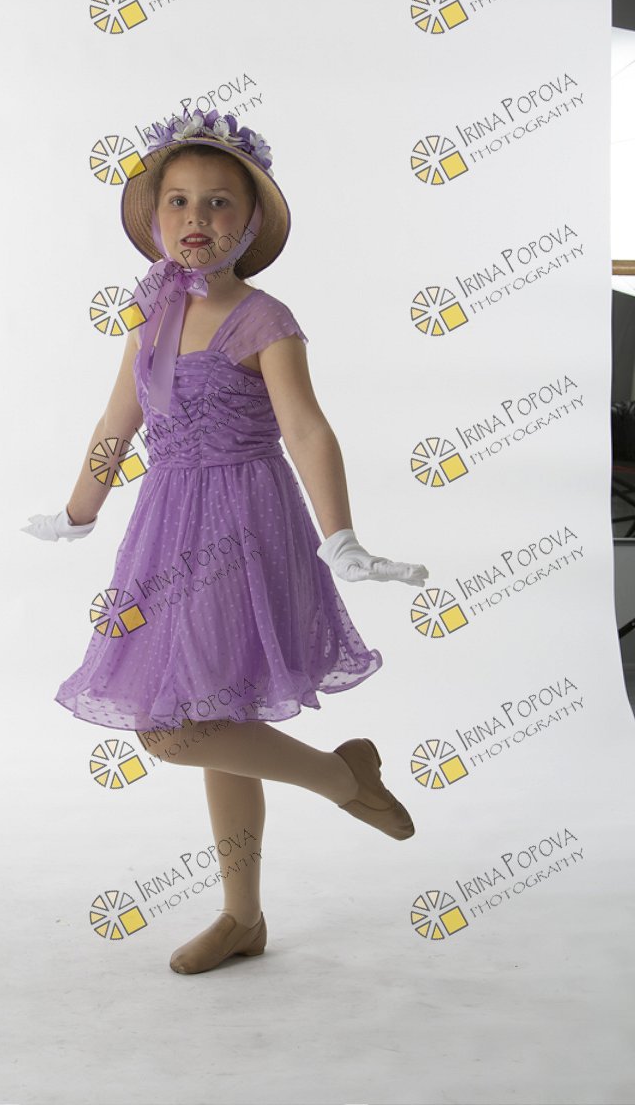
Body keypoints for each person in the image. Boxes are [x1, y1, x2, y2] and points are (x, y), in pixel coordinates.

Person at [22, 107, 429, 975]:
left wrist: (342, 536)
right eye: (177, 201)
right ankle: (243, 915)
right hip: (167, 525)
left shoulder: (264, 319)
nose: (195, 218)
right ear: (155, 217)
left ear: (247, 223)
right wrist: (78, 509)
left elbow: (307, 429)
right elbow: (117, 420)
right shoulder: (150, 311)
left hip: (244, 527)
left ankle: (341, 779)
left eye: (217, 203)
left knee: (175, 727)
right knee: (213, 711)